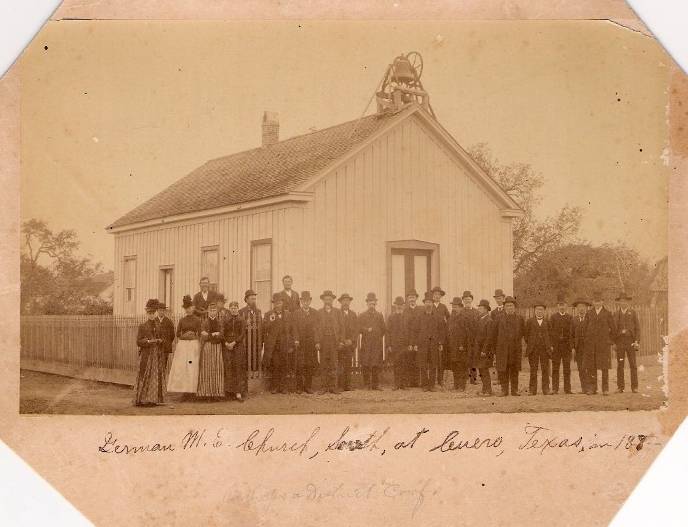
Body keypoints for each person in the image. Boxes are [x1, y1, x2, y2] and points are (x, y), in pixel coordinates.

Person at [133, 299, 167, 406]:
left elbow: (163, 339)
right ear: (147, 313)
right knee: (145, 375)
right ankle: (142, 399)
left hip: (156, 355)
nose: (152, 315)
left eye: (153, 313)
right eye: (150, 313)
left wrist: (160, 341)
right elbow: (138, 341)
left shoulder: (158, 326)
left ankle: (153, 399)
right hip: (146, 355)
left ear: (155, 313)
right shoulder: (142, 326)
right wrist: (148, 341)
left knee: (155, 376)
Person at [582, 291, 616, 395]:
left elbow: (613, 329)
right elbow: (584, 328)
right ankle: (593, 388)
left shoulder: (607, 313)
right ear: (593, 302)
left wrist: (609, 341)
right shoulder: (589, 313)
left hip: (603, 345)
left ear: (602, 302)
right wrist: (587, 341)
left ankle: (605, 389)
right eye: (595, 301)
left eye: (599, 301)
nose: (597, 303)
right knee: (591, 367)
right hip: (591, 345)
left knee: (604, 367)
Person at [167, 295, 201, 398]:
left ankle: (192, 391)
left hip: (193, 345)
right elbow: (177, 334)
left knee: (192, 366)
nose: (189, 310)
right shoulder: (182, 320)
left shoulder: (197, 320)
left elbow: (199, 333)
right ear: (185, 309)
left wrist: (193, 336)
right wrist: (185, 335)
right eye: (187, 308)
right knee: (183, 367)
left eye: (190, 308)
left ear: (193, 308)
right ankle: (184, 391)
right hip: (183, 346)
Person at [262, 293, 294, 394]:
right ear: (273, 304)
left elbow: (292, 330)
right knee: (275, 365)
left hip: (285, 343)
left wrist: (291, 344)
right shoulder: (268, 314)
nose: (277, 305)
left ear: (282, 303)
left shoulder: (288, 314)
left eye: (279, 303)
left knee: (284, 365)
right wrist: (271, 321)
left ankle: (284, 387)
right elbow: (264, 328)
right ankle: (275, 387)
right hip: (274, 345)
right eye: (276, 303)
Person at [494, 296, 525, 397]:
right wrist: (495, 350)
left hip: (515, 349)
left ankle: (514, 390)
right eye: (507, 306)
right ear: (504, 307)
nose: (509, 307)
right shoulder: (498, 318)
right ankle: (504, 390)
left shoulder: (520, 318)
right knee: (503, 370)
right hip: (502, 349)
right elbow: (494, 334)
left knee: (514, 370)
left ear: (514, 307)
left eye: (511, 305)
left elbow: (522, 333)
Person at [315, 290, 344, 394]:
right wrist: (317, 341)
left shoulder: (337, 312)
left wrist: (341, 341)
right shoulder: (319, 313)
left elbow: (342, 328)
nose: (328, 301)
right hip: (323, 341)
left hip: (333, 341)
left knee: (333, 364)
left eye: (330, 299)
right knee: (323, 364)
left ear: (332, 300)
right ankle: (323, 387)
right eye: (326, 299)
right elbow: (316, 328)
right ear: (323, 300)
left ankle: (333, 387)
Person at [292, 291, 319, 394]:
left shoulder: (315, 313)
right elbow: (294, 328)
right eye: (304, 301)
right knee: (299, 365)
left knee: (309, 365)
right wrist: (296, 339)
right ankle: (299, 387)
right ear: (301, 301)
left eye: (307, 301)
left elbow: (317, 328)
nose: (306, 303)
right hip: (300, 343)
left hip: (311, 344)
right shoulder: (296, 313)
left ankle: (308, 386)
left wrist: (316, 341)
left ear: (310, 301)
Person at [416, 291, 444, 392]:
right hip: (422, 345)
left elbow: (442, 331)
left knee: (433, 365)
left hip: (434, 345)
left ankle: (431, 385)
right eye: (426, 302)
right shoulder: (419, 316)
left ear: (432, 304)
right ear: (424, 304)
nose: (428, 304)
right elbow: (415, 330)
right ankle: (424, 385)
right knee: (422, 365)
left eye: (430, 302)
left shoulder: (438, 317)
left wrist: (440, 343)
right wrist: (416, 343)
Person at [358, 292, 386, 390]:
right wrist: (366, 330)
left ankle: (375, 384)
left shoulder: (379, 315)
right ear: (367, 304)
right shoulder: (362, 315)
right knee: (365, 363)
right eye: (370, 303)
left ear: (375, 304)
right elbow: (358, 328)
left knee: (375, 364)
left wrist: (377, 335)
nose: (372, 305)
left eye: (373, 304)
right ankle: (366, 384)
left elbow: (383, 329)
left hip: (376, 343)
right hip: (366, 343)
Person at [197, 301, 225, 399]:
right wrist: (212, 334)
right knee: (207, 368)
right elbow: (203, 335)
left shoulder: (220, 322)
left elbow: (221, 335)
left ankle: (217, 393)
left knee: (217, 369)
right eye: (211, 310)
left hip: (217, 347)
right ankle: (206, 393)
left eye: (214, 310)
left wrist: (215, 335)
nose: (213, 312)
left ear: (217, 312)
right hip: (207, 347)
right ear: (208, 311)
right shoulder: (204, 322)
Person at [614, 292, 640, 393]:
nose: (623, 303)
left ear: (627, 302)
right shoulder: (616, 314)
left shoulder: (632, 313)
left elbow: (637, 328)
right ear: (619, 303)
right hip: (620, 342)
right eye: (621, 301)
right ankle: (620, 387)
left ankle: (634, 387)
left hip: (630, 342)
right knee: (620, 364)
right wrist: (614, 343)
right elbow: (612, 330)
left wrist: (637, 341)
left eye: (625, 301)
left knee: (633, 364)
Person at [525, 302, 553, 396]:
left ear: (544, 311)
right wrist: (531, 344)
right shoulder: (529, 322)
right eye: (537, 309)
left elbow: (550, 335)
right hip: (533, 349)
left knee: (545, 369)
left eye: (541, 309)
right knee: (533, 369)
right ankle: (532, 390)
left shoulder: (548, 322)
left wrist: (549, 346)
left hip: (545, 349)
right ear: (534, 311)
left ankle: (546, 389)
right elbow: (526, 336)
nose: (539, 311)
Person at [222, 300, 247, 402]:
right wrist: (226, 343)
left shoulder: (241, 320)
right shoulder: (225, 319)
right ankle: (229, 392)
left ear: (238, 309)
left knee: (238, 368)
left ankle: (238, 392)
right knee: (228, 367)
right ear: (229, 309)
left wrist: (234, 343)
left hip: (237, 346)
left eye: (235, 308)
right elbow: (222, 332)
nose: (233, 310)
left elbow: (242, 334)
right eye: (231, 308)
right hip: (227, 346)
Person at [549, 294, 573, 394]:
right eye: (560, 305)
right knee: (555, 368)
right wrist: (552, 345)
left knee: (567, 368)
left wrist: (571, 346)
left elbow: (572, 333)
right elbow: (550, 332)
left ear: (566, 306)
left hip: (566, 346)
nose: (562, 307)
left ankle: (567, 389)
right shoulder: (553, 317)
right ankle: (555, 388)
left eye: (563, 305)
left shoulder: (569, 317)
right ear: (557, 306)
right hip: (556, 347)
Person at [447, 295, 471, 391]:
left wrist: (462, 345)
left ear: (461, 307)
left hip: (461, 347)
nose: (454, 308)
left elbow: (467, 333)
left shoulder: (464, 318)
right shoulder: (451, 318)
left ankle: (462, 386)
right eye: (453, 306)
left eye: (456, 306)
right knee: (455, 366)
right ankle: (456, 385)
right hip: (453, 346)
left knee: (462, 366)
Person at [239, 289, 263, 376]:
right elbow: (239, 326)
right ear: (246, 300)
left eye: (254, 299)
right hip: (245, 339)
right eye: (252, 299)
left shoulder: (258, 311)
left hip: (256, 338)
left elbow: (261, 326)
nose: (254, 301)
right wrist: (245, 323)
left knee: (256, 356)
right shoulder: (241, 311)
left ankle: (255, 375)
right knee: (246, 356)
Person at [473, 299, 495, 396]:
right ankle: (484, 389)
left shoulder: (489, 321)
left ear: (486, 309)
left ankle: (488, 390)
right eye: (479, 308)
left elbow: (489, 338)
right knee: (481, 369)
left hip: (485, 351)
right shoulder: (480, 319)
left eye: (481, 308)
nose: (479, 309)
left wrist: (484, 350)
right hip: (479, 349)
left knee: (484, 369)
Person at [337, 293, 358, 391]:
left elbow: (356, 330)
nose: (346, 302)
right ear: (341, 302)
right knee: (340, 365)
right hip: (341, 344)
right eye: (344, 301)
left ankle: (348, 385)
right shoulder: (337, 313)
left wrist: (352, 340)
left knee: (348, 365)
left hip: (350, 344)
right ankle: (340, 385)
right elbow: (336, 329)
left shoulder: (353, 314)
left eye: (347, 300)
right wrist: (341, 341)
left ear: (350, 302)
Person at [386, 296, 407, 390]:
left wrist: (410, 344)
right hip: (394, 344)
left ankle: (403, 384)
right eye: (397, 305)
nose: (399, 306)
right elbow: (388, 332)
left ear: (403, 305)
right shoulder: (391, 317)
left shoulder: (407, 317)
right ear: (395, 306)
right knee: (396, 364)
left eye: (401, 305)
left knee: (404, 364)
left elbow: (410, 331)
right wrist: (389, 345)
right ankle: (396, 384)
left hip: (404, 345)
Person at [430, 286, 449, 387]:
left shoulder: (443, 307)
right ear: (432, 296)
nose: (437, 296)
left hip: (441, 337)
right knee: (432, 359)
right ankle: (431, 380)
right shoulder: (429, 306)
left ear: (441, 296)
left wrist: (442, 340)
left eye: (438, 295)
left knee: (440, 359)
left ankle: (440, 379)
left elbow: (448, 320)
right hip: (431, 337)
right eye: (435, 294)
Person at [403, 289, 421, 387]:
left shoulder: (420, 310)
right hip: (408, 341)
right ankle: (410, 381)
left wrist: (417, 343)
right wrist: (409, 343)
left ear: (416, 298)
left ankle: (417, 382)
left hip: (418, 341)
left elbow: (421, 327)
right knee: (409, 361)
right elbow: (405, 328)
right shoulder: (405, 311)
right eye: (410, 297)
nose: (412, 299)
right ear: (407, 299)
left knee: (418, 361)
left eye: (413, 297)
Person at [571, 299, 590, 394]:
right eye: (579, 307)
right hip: (578, 347)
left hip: (588, 347)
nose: (581, 309)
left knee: (588, 367)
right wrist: (573, 348)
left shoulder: (590, 318)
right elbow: (571, 335)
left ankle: (591, 387)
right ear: (576, 309)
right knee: (580, 368)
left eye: (583, 307)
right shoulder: (573, 320)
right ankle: (584, 388)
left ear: (586, 308)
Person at [461, 291, 480, 385]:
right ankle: (464, 377)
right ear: (463, 301)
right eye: (465, 299)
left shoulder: (476, 312)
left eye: (469, 299)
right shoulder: (461, 312)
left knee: (473, 359)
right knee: (464, 358)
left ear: (472, 300)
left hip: (473, 340)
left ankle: (473, 378)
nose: (467, 301)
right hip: (464, 340)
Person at [156, 301, 176, 374]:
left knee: (163, 366)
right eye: (160, 310)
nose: (161, 312)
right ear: (157, 311)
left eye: (163, 310)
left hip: (165, 348)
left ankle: (162, 382)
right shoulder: (154, 321)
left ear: (165, 311)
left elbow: (172, 335)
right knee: (156, 366)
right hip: (156, 347)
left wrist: (166, 342)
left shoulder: (169, 322)